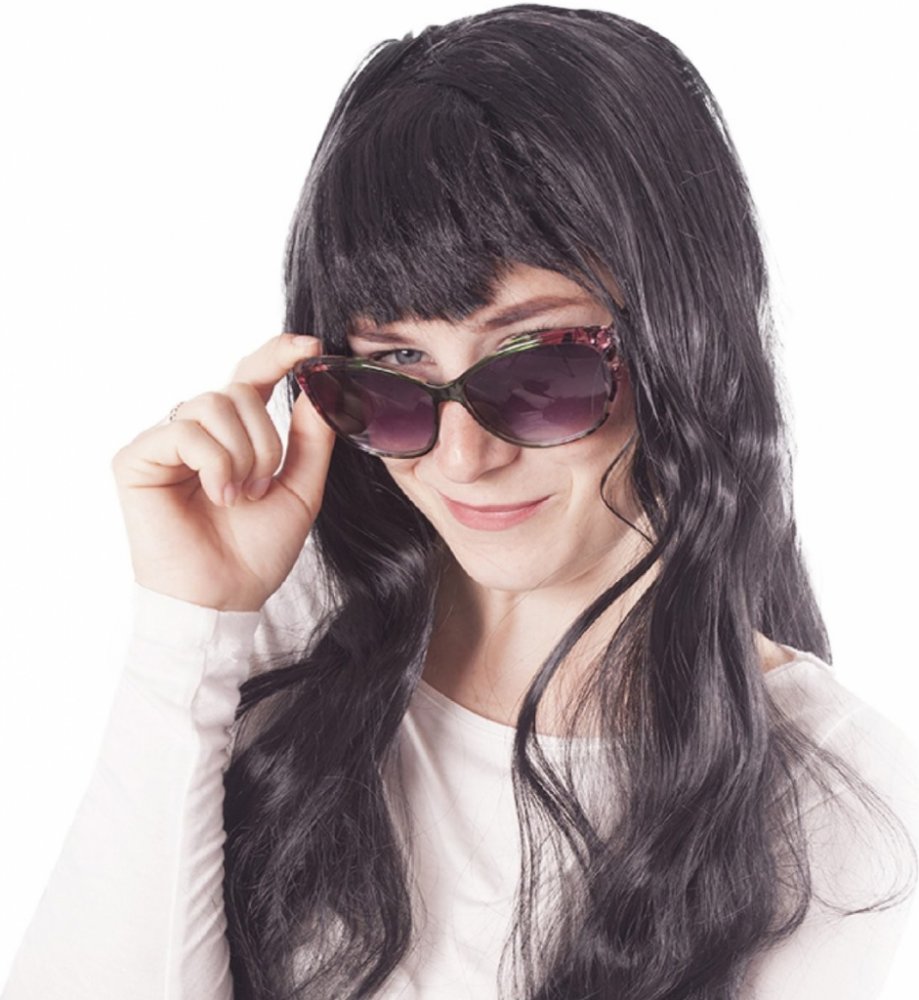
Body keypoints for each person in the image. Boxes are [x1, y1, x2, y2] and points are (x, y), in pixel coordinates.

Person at [3, 5, 917, 999]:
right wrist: (187, 626)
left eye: (539, 371)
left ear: (684, 343)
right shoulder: (281, 642)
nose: (462, 457)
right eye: (393, 375)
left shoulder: (835, 792)